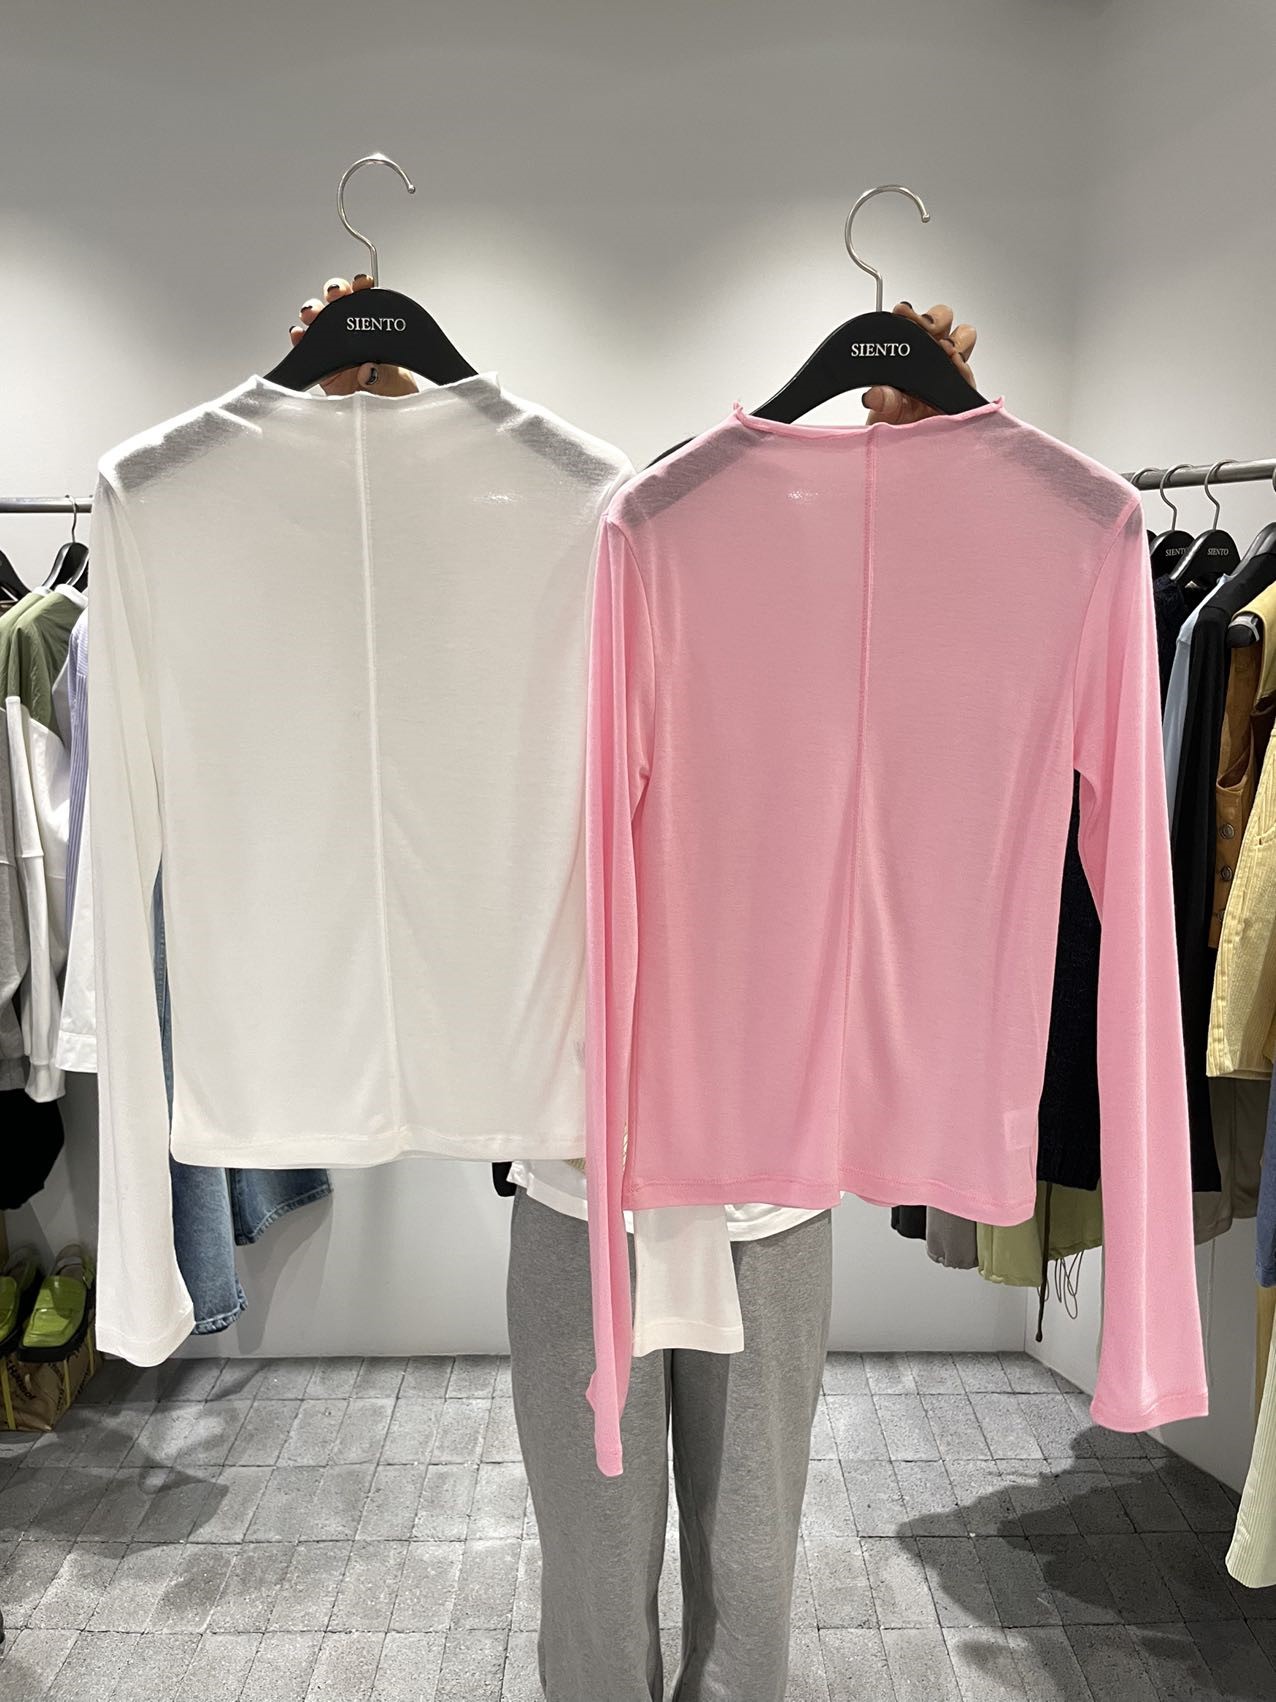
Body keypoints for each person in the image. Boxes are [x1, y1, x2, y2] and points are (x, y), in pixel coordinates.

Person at [290, 277, 977, 1701]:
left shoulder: (815, 671)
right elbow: (398, 644)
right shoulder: (544, 665)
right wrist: (388, 440)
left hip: (767, 1195)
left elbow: (949, 673)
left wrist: (925, 460)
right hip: (576, 1186)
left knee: (755, 1568)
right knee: (594, 1578)